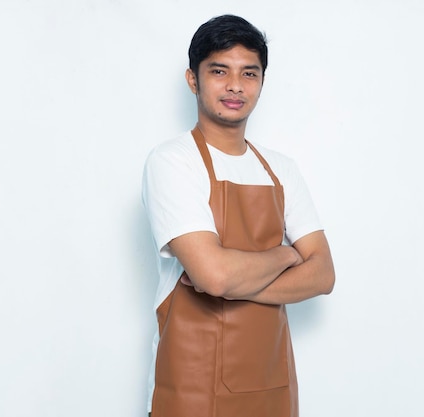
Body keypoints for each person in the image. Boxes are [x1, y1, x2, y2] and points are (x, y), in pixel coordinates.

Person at [142, 14, 335, 417]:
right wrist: (285, 255)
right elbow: (214, 275)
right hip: (191, 387)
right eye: (219, 71)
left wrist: (228, 282)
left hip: (271, 384)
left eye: (249, 73)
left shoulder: (281, 168)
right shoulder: (173, 162)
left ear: (262, 81)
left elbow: (323, 274)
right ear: (193, 80)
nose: (235, 86)